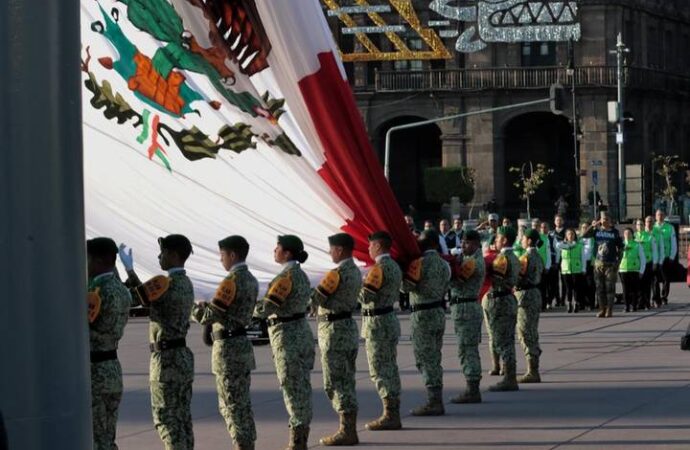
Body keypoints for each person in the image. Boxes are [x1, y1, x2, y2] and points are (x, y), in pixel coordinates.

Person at [120, 235, 195, 449]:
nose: (159, 257)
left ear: (173, 255)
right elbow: (147, 296)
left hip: (166, 361)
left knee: (166, 420)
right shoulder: (186, 283)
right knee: (182, 419)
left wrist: (129, 271)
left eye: (162, 253)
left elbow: (133, 298)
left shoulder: (166, 283)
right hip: (181, 357)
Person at [190, 236, 257, 450]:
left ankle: (241, 445)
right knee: (242, 403)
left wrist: (195, 307)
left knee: (231, 404)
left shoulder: (231, 281)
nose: (221, 260)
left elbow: (209, 316)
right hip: (241, 345)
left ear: (232, 255)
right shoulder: (251, 279)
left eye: (222, 255)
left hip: (228, 350)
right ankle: (247, 443)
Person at [253, 235, 314, 450]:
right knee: (301, 387)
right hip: (300, 333)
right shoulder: (301, 275)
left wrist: (246, 306)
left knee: (292, 388)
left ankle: (297, 442)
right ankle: (301, 438)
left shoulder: (285, 277)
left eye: (277, 247)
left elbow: (266, 308)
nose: (274, 250)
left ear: (287, 253)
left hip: (288, 337)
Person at [311, 233, 362, 446]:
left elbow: (316, 298)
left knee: (335, 381)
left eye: (331, 249)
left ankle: (346, 430)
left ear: (339, 250)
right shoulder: (356, 271)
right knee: (346, 378)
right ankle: (348, 427)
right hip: (348, 328)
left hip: (334, 331)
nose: (329, 252)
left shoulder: (336, 274)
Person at [87, 237, 131, 450]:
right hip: (112, 369)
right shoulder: (122, 290)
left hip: (95, 372)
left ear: (98, 260)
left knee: (96, 439)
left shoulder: (98, 292)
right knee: (107, 437)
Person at [401, 230, 451, 416]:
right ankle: (435, 397)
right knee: (435, 357)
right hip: (438, 312)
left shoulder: (418, 264)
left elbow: (406, 287)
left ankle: (434, 401)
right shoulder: (445, 264)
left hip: (422, 315)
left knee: (425, 359)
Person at [359, 231, 403, 431]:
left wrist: (355, 287)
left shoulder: (378, 269)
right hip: (388, 319)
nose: (368, 249)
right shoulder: (393, 266)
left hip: (377, 323)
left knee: (379, 370)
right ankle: (393, 411)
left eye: (370, 245)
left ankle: (390, 414)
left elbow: (365, 297)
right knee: (390, 367)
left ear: (377, 246)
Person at [448, 230, 486, 403]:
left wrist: (447, 270)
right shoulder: (468, 259)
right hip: (465, 307)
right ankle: (472, 387)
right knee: (467, 348)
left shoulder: (473, 263)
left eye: (467, 242)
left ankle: (472, 389)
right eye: (462, 242)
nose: (463, 245)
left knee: (467, 349)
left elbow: (456, 282)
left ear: (477, 244)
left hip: (467, 308)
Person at [482, 226, 521, 392]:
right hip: (509, 298)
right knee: (508, 340)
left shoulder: (501, 259)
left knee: (502, 341)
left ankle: (509, 378)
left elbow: (495, 281)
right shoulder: (515, 257)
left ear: (504, 240)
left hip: (500, 300)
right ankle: (509, 375)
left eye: (497, 238)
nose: (495, 241)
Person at [515, 229, 544, 383]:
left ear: (530, 241)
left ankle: (532, 370)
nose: (521, 240)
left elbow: (519, 277)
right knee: (531, 330)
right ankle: (533, 365)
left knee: (526, 332)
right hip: (535, 293)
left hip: (526, 295)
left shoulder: (526, 257)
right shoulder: (538, 256)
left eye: (524, 238)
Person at [583, 213, 624, 318]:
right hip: (598, 264)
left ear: (610, 220)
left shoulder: (614, 232)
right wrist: (592, 226)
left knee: (610, 288)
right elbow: (584, 235)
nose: (605, 221)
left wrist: (618, 261)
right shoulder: (597, 231)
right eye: (603, 219)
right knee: (599, 288)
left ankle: (609, 310)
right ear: (600, 220)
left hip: (610, 264)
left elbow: (621, 248)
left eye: (607, 219)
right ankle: (602, 309)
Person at [555, 229, 590, 313]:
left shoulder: (579, 245)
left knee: (576, 288)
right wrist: (566, 243)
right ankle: (569, 303)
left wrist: (583, 268)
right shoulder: (563, 245)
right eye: (569, 234)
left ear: (574, 236)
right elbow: (557, 245)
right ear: (566, 236)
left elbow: (583, 258)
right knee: (568, 288)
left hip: (576, 269)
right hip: (565, 269)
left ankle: (576, 303)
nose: (570, 236)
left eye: (572, 234)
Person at [619, 228, 646, 312]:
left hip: (634, 270)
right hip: (623, 270)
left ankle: (634, 305)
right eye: (625, 233)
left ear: (632, 235)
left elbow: (642, 259)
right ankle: (626, 306)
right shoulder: (621, 245)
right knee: (625, 290)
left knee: (634, 289)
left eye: (629, 233)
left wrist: (641, 270)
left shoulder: (637, 245)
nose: (627, 235)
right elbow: (617, 258)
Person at [653, 209, 677, 306]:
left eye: (662, 215)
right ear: (655, 216)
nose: (660, 216)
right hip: (655, 257)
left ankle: (664, 297)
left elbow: (673, 243)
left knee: (666, 279)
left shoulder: (670, 227)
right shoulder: (653, 227)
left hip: (666, 257)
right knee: (655, 279)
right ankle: (656, 298)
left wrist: (672, 256)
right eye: (658, 215)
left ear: (664, 216)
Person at [635, 217, 659, 310]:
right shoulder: (633, 236)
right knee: (638, 284)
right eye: (638, 224)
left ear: (644, 225)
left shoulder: (650, 236)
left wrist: (655, 263)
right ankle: (639, 302)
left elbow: (655, 251)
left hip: (648, 263)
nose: (640, 226)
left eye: (641, 224)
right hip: (637, 264)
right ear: (636, 226)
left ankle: (647, 303)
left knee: (647, 284)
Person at [579, 222, 597, 309]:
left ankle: (591, 303)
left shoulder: (593, 238)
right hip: (580, 264)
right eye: (583, 227)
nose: (585, 229)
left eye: (587, 227)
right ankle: (582, 304)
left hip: (590, 263)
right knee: (581, 284)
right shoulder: (579, 238)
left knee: (591, 284)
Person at [551, 215, 567, 306]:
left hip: (564, 259)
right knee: (555, 281)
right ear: (554, 222)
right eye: (557, 220)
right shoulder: (551, 233)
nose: (558, 221)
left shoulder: (566, 232)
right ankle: (557, 299)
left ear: (563, 221)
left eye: (560, 220)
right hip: (554, 260)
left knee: (564, 281)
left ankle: (563, 299)